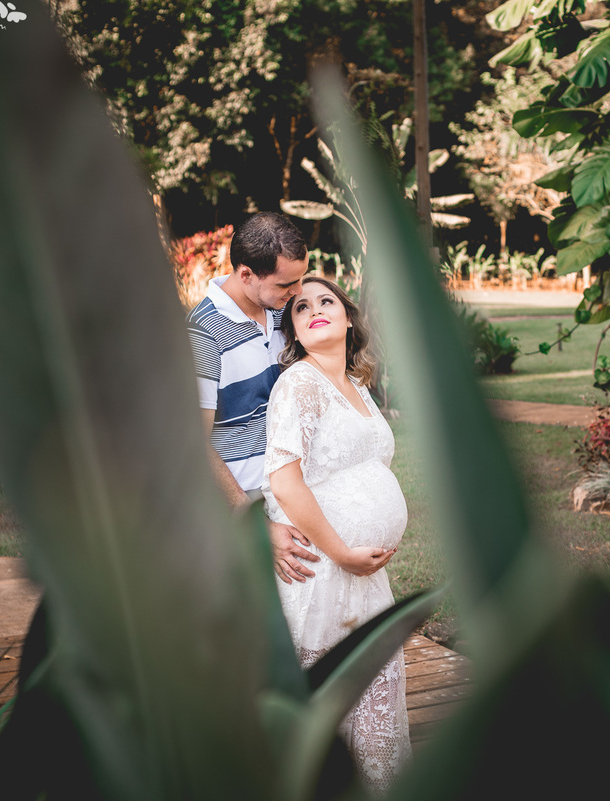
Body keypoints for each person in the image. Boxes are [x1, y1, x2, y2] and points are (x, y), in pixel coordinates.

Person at [263, 276, 410, 793]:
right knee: (334, 700)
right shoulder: (298, 383)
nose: (315, 309)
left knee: (373, 690)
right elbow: (284, 478)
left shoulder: (358, 387)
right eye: (301, 307)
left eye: (328, 301)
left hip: (361, 572)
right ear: (296, 332)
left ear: (349, 319)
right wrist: (343, 551)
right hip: (323, 568)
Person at [185, 211, 320, 583]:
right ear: (246, 274)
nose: (297, 292)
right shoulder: (203, 336)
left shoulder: (281, 314)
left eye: (301, 280)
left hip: (294, 500)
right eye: (286, 284)